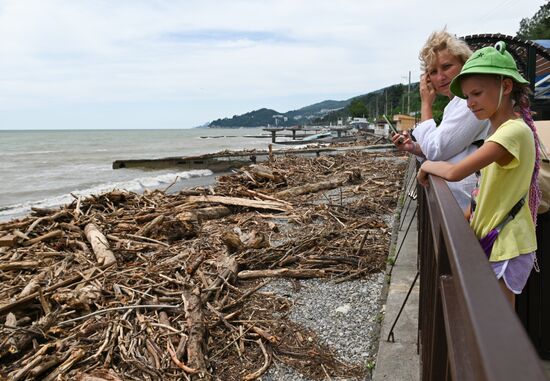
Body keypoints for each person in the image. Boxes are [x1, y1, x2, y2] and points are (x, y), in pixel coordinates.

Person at [417, 41, 541, 304]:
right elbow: (486, 188)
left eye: (476, 94)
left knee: (499, 320)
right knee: (491, 312)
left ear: (506, 87)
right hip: (497, 238)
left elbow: (454, 172)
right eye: (467, 97)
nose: (470, 104)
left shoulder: (512, 132)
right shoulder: (501, 131)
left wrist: (426, 164)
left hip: (508, 243)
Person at [393, 30, 489, 210]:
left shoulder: (471, 103)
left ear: (464, 64)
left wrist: (426, 105)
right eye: (433, 72)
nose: (440, 77)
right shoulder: (453, 105)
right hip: (463, 206)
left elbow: (437, 150)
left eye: (447, 67)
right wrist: (413, 147)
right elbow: (446, 147)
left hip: (474, 210)